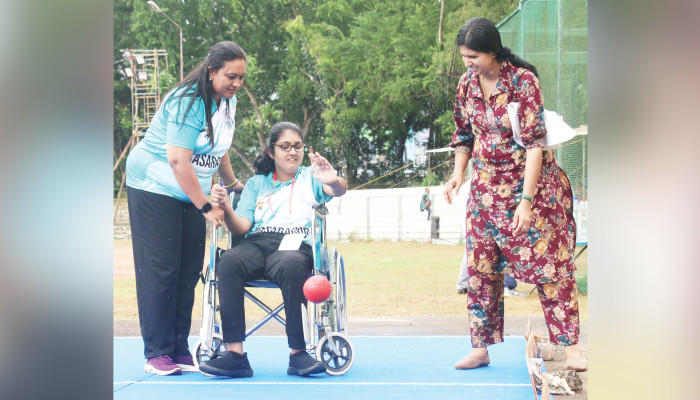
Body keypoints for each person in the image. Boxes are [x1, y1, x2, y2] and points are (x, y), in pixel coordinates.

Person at [443, 17, 586, 372]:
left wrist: (526, 201)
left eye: (473, 56)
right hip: (484, 195)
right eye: (464, 56)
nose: (467, 63)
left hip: (532, 192)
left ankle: (571, 349)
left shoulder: (523, 82)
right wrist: (458, 174)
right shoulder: (467, 85)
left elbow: (535, 144)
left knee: (551, 269)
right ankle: (480, 348)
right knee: (481, 270)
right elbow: (464, 135)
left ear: (492, 51)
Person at [125, 41, 247, 376]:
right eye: (231, 76)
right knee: (161, 270)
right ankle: (156, 353)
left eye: (241, 77)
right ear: (212, 72)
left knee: (188, 270)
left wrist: (232, 182)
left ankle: (178, 349)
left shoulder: (228, 101)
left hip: (189, 192)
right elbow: (178, 161)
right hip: (154, 186)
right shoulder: (188, 101)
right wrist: (206, 206)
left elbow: (218, 145)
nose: (237, 83)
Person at [198, 121, 348, 378]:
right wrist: (227, 208)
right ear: (271, 151)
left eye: (298, 146)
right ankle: (235, 355)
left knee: (291, 264)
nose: (293, 152)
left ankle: (298, 354)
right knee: (229, 261)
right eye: (285, 146)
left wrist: (334, 180)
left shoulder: (310, 178)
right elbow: (241, 227)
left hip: (295, 245)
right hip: (257, 242)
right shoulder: (257, 184)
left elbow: (337, 189)